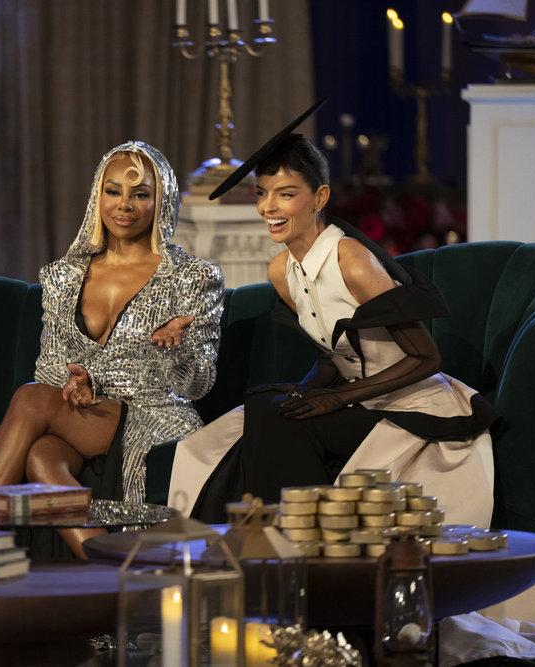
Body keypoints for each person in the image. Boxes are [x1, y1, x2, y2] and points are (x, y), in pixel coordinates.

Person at [172, 100, 499, 527]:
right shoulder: (281, 271)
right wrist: (305, 391)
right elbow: (330, 358)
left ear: (320, 197)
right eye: (262, 194)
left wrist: (338, 397)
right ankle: (266, 539)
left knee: (279, 423)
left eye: (286, 194)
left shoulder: (352, 260)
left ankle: (292, 541)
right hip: (359, 400)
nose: (269, 208)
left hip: (412, 405)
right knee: (266, 408)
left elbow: (427, 358)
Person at [0, 141, 224, 558]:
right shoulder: (62, 276)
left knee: (29, 398)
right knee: (42, 455)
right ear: (98, 195)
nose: (124, 205)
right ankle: (108, 564)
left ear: (162, 202)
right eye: (113, 191)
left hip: (154, 414)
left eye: (140, 194)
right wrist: (75, 385)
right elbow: (50, 368)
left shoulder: (193, 277)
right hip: (87, 414)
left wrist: (176, 348)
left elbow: (198, 385)